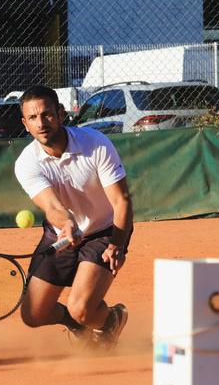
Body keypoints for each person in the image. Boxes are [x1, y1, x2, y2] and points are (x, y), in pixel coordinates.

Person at [14, 85, 134, 349]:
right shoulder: (26, 163)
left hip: (104, 230)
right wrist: (67, 224)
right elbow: (53, 207)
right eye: (32, 118)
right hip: (61, 232)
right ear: (25, 124)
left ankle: (111, 320)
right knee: (34, 314)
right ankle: (77, 324)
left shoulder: (96, 144)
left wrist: (117, 244)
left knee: (81, 307)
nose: (41, 123)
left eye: (46, 114)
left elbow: (121, 201)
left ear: (60, 113)